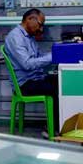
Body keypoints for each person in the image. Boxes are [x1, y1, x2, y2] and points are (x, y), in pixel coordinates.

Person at [4, 8, 58, 138]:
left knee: (61, 81)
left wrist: (58, 53)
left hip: (35, 78)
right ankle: (52, 129)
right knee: (54, 88)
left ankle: (59, 125)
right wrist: (53, 57)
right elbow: (27, 64)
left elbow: (39, 56)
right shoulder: (15, 37)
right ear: (29, 19)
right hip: (25, 84)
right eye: (40, 24)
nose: (41, 29)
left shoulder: (29, 37)